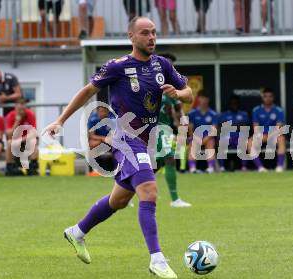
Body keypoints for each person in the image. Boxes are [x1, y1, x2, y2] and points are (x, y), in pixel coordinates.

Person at [44, 16, 192, 278]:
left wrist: (178, 94)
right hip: (126, 138)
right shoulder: (118, 66)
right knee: (149, 191)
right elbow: (87, 91)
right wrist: (60, 120)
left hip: (147, 141)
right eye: (145, 33)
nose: (151, 38)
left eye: (154, 33)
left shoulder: (163, 65)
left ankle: (76, 232)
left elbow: (188, 92)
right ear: (131, 37)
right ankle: (157, 259)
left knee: (119, 201)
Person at [156, 53, 191, 207]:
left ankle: (126, 191)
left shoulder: (172, 86)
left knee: (155, 164)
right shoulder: (150, 82)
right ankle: (175, 199)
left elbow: (179, 109)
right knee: (169, 158)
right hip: (151, 128)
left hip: (165, 128)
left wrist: (183, 126)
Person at [248, 88, 286, 172]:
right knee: (250, 142)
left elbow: (278, 128)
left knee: (281, 139)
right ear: (262, 98)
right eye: (265, 96)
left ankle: (279, 167)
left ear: (273, 97)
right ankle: (260, 168)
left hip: (274, 135)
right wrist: (261, 136)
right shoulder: (256, 110)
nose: (268, 98)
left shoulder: (278, 110)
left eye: (270, 96)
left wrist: (268, 136)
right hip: (261, 135)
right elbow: (256, 127)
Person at [5, 98, 38, 176]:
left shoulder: (31, 114)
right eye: (19, 109)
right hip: (14, 141)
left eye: (23, 108)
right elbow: (9, 134)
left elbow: (33, 133)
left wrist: (20, 140)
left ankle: (33, 167)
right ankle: (10, 168)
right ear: (15, 108)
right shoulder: (10, 115)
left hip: (25, 140)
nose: (21, 111)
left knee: (34, 141)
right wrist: (17, 121)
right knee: (9, 143)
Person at [187, 92, 218, 174]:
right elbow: (190, 129)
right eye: (202, 98)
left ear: (208, 100)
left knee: (210, 143)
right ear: (198, 99)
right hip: (196, 137)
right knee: (192, 145)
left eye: (205, 98)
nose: (204, 100)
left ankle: (210, 168)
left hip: (208, 137)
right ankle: (192, 168)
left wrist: (204, 140)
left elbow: (213, 130)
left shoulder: (213, 114)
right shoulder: (192, 113)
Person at [218, 95, 250, 171]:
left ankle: (244, 167)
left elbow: (245, 127)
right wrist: (237, 126)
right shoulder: (224, 115)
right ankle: (222, 167)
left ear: (239, 104)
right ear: (229, 104)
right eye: (232, 103)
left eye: (236, 103)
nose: (234, 105)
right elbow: (221, 127)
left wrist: (229, 126)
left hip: (240, 137)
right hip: (227, 137)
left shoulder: (244, 114)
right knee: (222, 141)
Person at [87, 106, 114, 176]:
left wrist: (109, 139)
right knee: (93, 144)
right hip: (99, 140)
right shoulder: (93, 120)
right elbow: (91, 135)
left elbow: (115, 134)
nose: (102, 113)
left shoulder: (112, 120)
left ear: (107, 112)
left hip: (109, 140)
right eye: (100, 111)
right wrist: (102, 138)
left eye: (104, 111)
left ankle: (116, 168)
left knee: (118, 143)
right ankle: (94, 169)